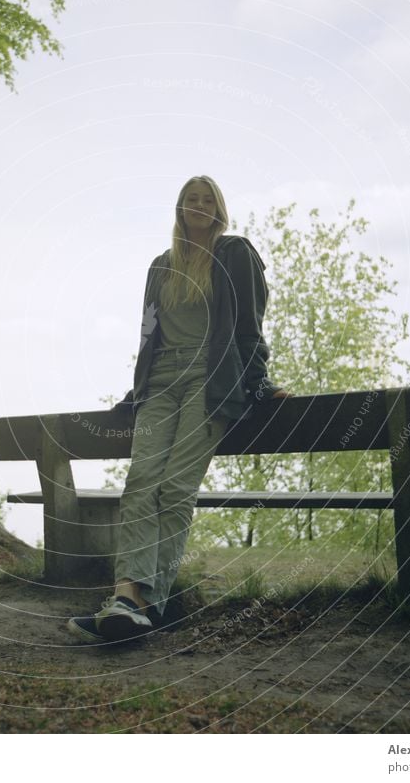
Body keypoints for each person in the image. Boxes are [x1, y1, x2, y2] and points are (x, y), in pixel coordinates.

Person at [67, 175, 290, 644]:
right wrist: (137, 390)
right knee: (141, 483)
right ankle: (127, 597)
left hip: (210, 383)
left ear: (220, 209)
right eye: (192, 199)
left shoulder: (235, 255)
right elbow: (149, 336)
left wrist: (259, 381)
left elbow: (250, 324)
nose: (200, 205)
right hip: (161, 385)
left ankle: (144, 604)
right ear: (179, 207)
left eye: (208, 199)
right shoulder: (160, 267)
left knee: (175, 488)